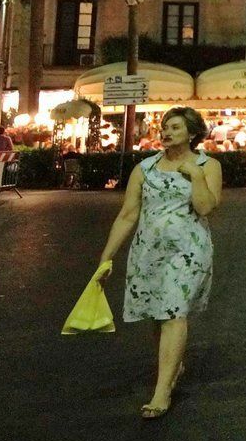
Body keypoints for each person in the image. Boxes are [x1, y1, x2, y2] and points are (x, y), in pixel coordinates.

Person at [93, 107, 221, 419]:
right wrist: (106, 257)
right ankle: (172, 366)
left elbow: (206, 208)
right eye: (164, 127)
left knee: (174, 310)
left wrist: (196, 176)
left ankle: (162, 390)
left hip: (188, 251)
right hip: (148, 251)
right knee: (158, 314)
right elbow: (128, 214)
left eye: (175, 127)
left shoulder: (208, 165)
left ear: (192, 133)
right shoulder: (145, 169)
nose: (166, 132)